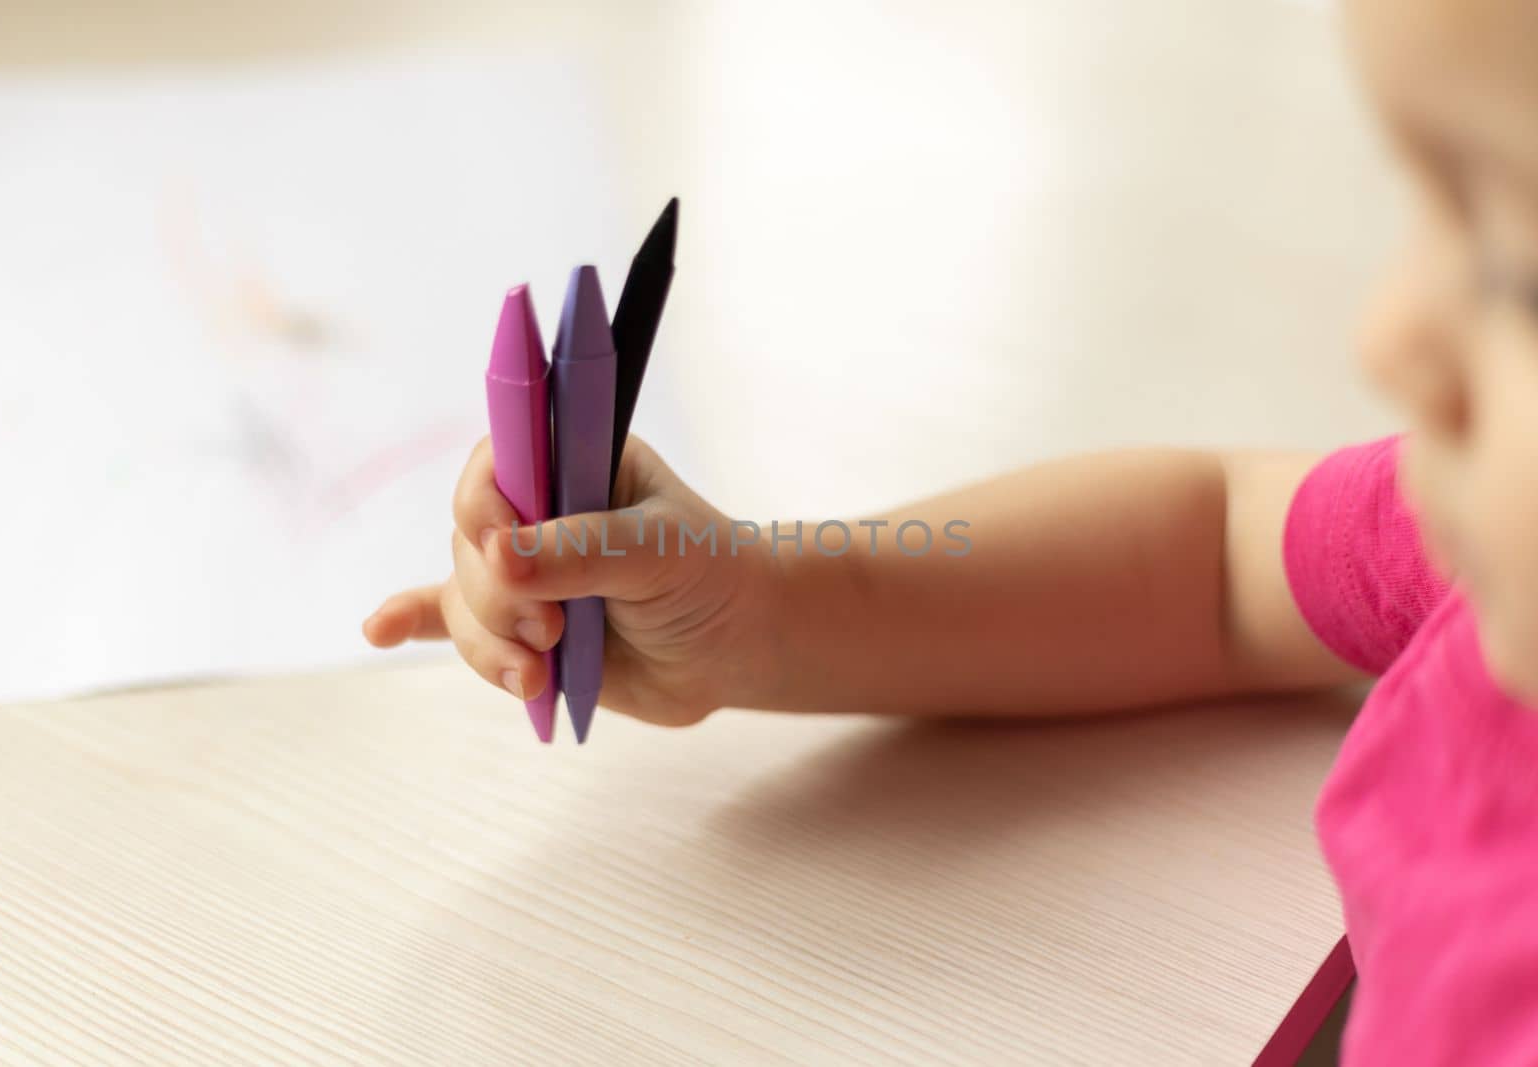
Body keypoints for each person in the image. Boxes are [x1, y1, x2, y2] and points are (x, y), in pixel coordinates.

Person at [366, 0, 1538, 1058]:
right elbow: (1217, 556)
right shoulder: (1478, 570)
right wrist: (765, 606)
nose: (1385, 337)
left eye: (1515, 271)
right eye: (1430, 200)